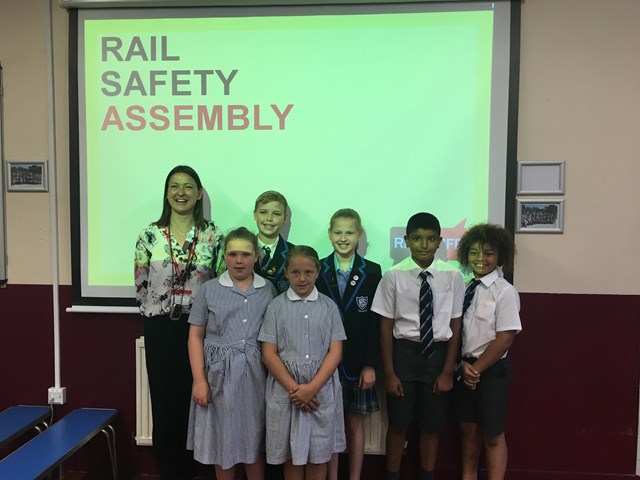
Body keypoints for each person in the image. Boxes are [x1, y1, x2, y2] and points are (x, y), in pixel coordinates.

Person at [134, 165, 223, 480]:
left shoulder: (213, 234)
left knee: (197, 402)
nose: (181, 192)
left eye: (188, 186)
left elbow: (219, 281)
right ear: (167, 193)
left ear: (199, 194)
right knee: (164, 404)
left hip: (199, 330)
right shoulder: (150, 234)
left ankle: (196, 470)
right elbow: (141, 284)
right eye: (174, 186)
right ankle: (170, 473)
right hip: (161, 330)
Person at [371, 212, 464, 480]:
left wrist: (448, 371)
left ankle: (426, 475)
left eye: (430, 239)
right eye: (418, 239)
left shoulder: (452, 276)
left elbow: (456, 326)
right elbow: (386, 327)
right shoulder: (393, 276)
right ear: (407, 241)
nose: (424, 245)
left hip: (437, 355)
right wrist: (389, 373)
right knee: (398, 424)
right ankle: (392, 475)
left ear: (440, 242)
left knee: (431, 426)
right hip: (403, 354)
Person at [186, 227, 277, 480]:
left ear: (256, 256)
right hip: (218, 378)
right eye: (233, 254)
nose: (239, 260)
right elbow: (195, 335)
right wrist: (200, 380)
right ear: (224, 256)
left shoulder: (267, 289)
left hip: (256, 375)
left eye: (246, 254)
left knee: (254, 437)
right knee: (222, 440)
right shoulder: (209, 289)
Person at [258, 246, 347, 480]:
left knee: (319, 455)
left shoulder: (329, 307)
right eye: (295, 272)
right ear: (286, 273)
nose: (302, 278)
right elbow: (269, 353)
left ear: (318, 272)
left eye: (308, 272)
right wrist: (296, 390)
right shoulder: (276, 307)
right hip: (287, 391)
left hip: (320, 391)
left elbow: (335, 352)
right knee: (291, 455)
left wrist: (311, 389)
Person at [316, 209, 382, 480]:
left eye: (350, 233)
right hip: (323, 362)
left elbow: (376, 325)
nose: (344, 238)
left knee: (355, 425)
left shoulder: (373, 271)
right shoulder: (318, 269)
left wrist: (370, 364)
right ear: (330, 234)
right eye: (338, 232)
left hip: (356, 362)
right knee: (328, 426)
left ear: (360, 235)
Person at [454, 224, 522, 480]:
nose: (480, 258)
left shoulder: (504, 291)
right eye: (473, 252)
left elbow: (505, 338)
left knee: (492, 434)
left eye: (488, 253)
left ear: (499, 255)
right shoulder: (463, 287)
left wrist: (476, 369)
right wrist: (463, 366)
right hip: (465, 369)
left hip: (491, 372)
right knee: (468, 430)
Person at [253, 191, 294, 294]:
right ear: (255, 215)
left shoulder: (294, 254)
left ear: (285, 218)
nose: (269, 219)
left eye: (276, 214)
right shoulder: (242, 250)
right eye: (263, 212)